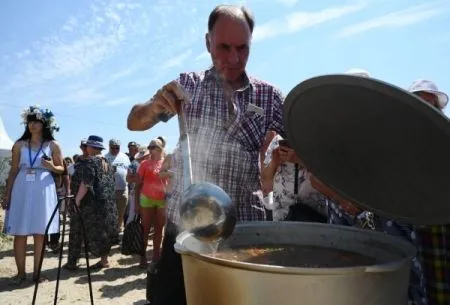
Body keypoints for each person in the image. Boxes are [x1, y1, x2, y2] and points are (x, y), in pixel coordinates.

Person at [127, 5, 284, 305]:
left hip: (243, 233)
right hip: (185, 230)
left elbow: (299, 138)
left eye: (242, 48)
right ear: (207, 42)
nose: (233, 59)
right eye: (223, 47)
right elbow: (134, 121)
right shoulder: (187, 86)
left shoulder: (270, 96)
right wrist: (155, 107)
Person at [3, 105, 64, 284]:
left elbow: (61, 169)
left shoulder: (53, 145)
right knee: (20, 232)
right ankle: (21, 273)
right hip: (22, 185)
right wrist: (7, 195)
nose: (33, 124)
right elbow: (13, 171)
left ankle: (37, 274)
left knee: (40, 232)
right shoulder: (19, 145)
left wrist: (52, 167)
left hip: (44, 187)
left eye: (36, 121)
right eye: (30, 121)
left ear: (44, 124)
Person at [408, 79, 449, 305]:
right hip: (408, 224)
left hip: (441, 223)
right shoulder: (395, 141)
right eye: (419, 103)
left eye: (430, 105)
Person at [64, 135, 118, 271]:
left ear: (91, 147)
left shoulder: (91, 162)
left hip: (89, 204)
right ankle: (104, 260)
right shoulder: (107, 163)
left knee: (77, 230)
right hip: (106, 204)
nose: (85, 147)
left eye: (86, 145)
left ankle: (72, 262)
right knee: (103, 232)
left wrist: (76, 200)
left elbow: (86, 183)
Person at [135, 137, 168, 268]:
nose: (150, 149)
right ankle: (142, 257)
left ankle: (156, 257)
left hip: (162, 200)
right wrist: (137, 204)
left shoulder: (166, 162)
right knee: (145, 229)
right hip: (147, 199)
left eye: (153, 147)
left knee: (159, 229)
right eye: (149, 147)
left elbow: (170, 181)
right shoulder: (144, 164)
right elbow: (138, 184)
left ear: (160, 149)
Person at [104, 139, 130, 234]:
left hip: (123, 189)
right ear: (109, 146)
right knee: (109, 213)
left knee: (121, 213)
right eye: (113, 147)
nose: (115, 149)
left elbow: (129, 170)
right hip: (109, 190)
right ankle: (110, 232)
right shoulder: (105, 157)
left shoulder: (125, 157)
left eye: (117, 147)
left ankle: (118, 230)